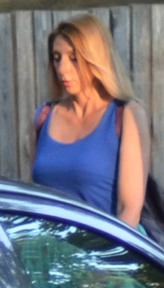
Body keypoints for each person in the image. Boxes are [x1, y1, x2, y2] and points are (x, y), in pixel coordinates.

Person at [30, 16, 145, 227]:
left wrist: (102, 258)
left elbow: (129, 211)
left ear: (95, 58)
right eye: (57, 58)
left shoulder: (126, 115)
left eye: (74, 58)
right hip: (45, 253)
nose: (63, 69)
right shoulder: (44, 116)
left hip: (102, 252)